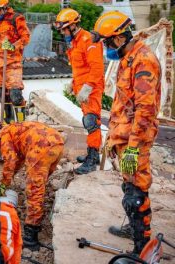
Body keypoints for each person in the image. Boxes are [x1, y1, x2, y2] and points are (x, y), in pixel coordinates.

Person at [92, 11, 161, 254]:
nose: (106, 48)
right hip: (124, 138)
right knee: (128, 187)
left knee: (136, 193)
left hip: (136, 140)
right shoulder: (127, 57)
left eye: (107, 42)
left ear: (120, 38)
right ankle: (134, 228)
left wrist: (132, 147)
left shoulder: (144, 61)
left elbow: (145, 110)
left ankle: (142, 248)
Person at [0, 121, 64, 250]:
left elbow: (10, 160)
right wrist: (8, 179)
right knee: (39, 184)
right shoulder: (15, 128)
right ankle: (37, 213)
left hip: (41, 146)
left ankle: (31, 235)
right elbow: (17, 161)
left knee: (34, 190)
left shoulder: (4, 135)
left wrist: (3, 185)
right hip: (57, 142)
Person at [54, 8, 105, 174]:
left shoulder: (89, 40)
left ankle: (92, 159)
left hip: (92, 88)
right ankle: (92, 153)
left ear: (73, 25)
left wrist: (88, 87)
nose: (62, 32)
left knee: (92, 123)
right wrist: (74, 82)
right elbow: (80, 67)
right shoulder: (75, 41)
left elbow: (96, 67)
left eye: (64, 29)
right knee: (88, 122)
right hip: (82, 87)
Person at [0, 0, 30, 123]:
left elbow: (26, 37)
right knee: (1, 94)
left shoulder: (16, 18)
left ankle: (21, 123)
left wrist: (13, 46)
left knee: (15, 95)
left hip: (12, 64)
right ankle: (9, 123)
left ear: (5, 7)